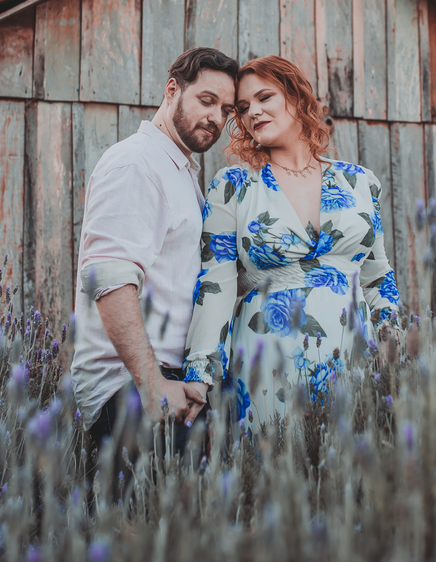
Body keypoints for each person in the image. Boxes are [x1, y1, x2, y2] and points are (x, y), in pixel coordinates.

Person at [182, 55, 400, 425]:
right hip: (266, 362)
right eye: (243, 108)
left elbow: (378, 279)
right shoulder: (233, 186)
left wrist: (396, 353)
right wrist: (200, 374)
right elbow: (216, 285)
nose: (253, 112)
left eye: (264, 97)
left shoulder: (360, 183)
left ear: (297, 98)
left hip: (354, 357)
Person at [71, 47, 238, 458]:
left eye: (226, 110)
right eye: (206, 100)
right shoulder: (137, 164)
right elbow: (110, 279)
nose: (216, 118)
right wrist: (152, 384)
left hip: (170, 380)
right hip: (131, 386)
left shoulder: (178, 170)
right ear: (171, 90)